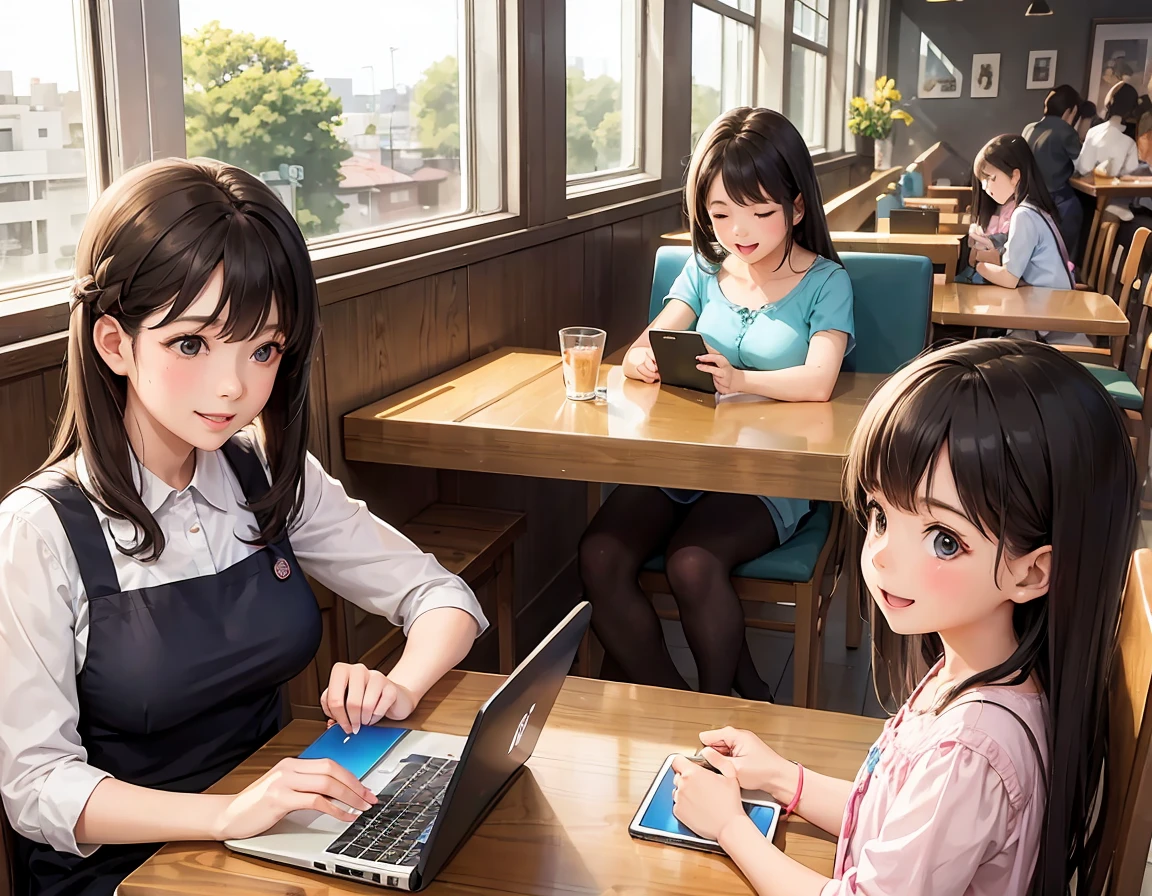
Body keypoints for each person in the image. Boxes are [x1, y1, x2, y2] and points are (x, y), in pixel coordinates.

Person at [0, 158, 488, 896]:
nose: (233, 386)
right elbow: (37, 789)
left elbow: (443, 598)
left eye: (262, 349)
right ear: (114, 343)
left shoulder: (262, 471)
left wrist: (398, 687)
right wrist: (231, 814)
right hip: (127, 871)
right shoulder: (37, 532)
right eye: (191, 343)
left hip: (276, 835)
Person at [668, 338, 1137, 896]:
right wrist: (781, 778)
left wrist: (730, 827)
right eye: (880, 515)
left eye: (943, 540)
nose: (883, 554)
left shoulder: (971, 752)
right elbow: (896, 819)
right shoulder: (979, 670)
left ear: (1033, 573)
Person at [578, 107, 854, 703]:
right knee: (599, 554)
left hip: (769, 472)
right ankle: (680, 703)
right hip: (684, 464)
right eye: (721, 213)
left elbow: (818, 381)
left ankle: (721, 704)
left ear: (797, 206)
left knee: (693, 563)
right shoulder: (703, 270)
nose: (738, 231)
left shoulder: (827, 280)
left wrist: (741, 380)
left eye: (759, 211)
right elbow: (644, 343)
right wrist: (639, 360)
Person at [1022, 84, 1085, 254]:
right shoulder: (1066, 131)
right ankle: (1068, 264)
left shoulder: (1029, 128)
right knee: (1077, 207)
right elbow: (1083, 165)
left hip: (1027, 197)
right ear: (1071, 111)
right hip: (1055, 199)